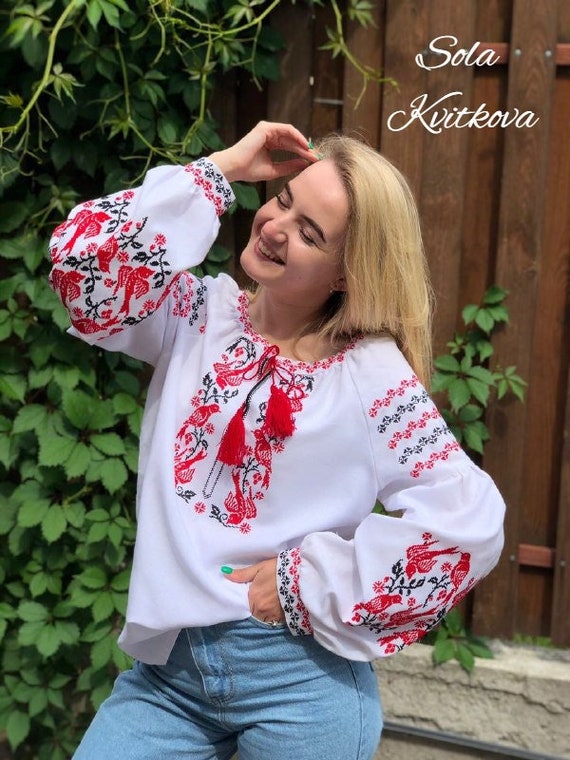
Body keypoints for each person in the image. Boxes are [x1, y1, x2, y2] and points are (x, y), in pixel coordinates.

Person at [48, 121, 505, 760]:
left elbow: (468, 524)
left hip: (300, 683)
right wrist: (220, 170)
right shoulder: (194, 315)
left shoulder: (371, 377)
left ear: (348, 274)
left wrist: (305, 581)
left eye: (310, 233)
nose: (275, 226)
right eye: (284, 200)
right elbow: (84, 271)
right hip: (169, 679)